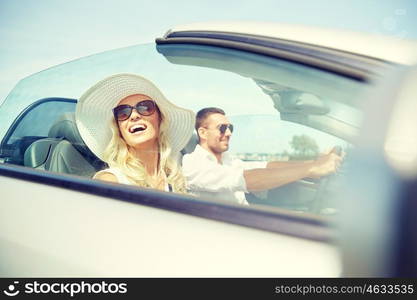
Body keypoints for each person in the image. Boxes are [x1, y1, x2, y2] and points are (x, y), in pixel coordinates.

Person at [182, 107, 343, 204]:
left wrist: (314, 162)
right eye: (222, 128)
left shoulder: (226, 160)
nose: (229, 133)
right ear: (202, 132)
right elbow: (250, 180)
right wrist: (312, 169)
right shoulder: (194, 165)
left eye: (230, 127)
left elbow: (267, 166)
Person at [75, 73, 195, 193]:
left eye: (145, 108)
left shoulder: (175, 178)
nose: (134, 116)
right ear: (119, 130)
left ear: (160, 119)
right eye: (123, 112)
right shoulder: (111, 180)